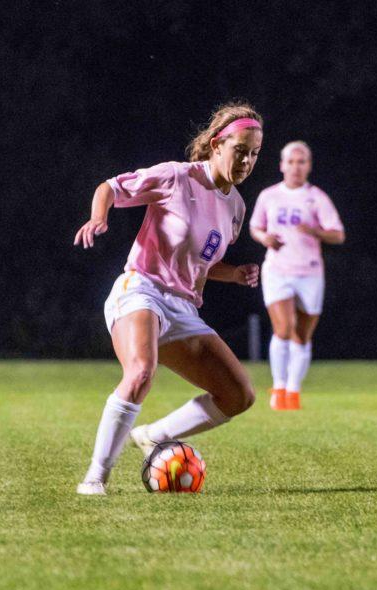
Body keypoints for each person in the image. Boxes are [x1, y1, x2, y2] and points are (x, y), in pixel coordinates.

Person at [72, 102, 263, 495]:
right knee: (141, 372)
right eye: (240, 150)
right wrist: (99, 217)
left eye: (254, 153)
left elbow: (200, 264)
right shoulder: (177, 177)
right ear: (216, 145)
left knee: (239, 395)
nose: (246, 160)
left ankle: (154, 435)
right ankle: (95, 477)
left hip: (183, 307)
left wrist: (235, 273)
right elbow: (109, 187)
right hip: (141, 288)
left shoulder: (236, 208)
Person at [249, 141, 345, 411]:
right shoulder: (269, 196)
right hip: (278, 270)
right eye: (291, 161)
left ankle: (293, 391)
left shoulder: (317, 197)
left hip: (310, 271)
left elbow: (338, 234)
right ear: (282, 165)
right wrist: (265, 238)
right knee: (282, 328)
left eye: (301, 161)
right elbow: (255, 227)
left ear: (308, 166)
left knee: (302, 335)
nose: (295, 166)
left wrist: (315, 231)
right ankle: (279, 388)